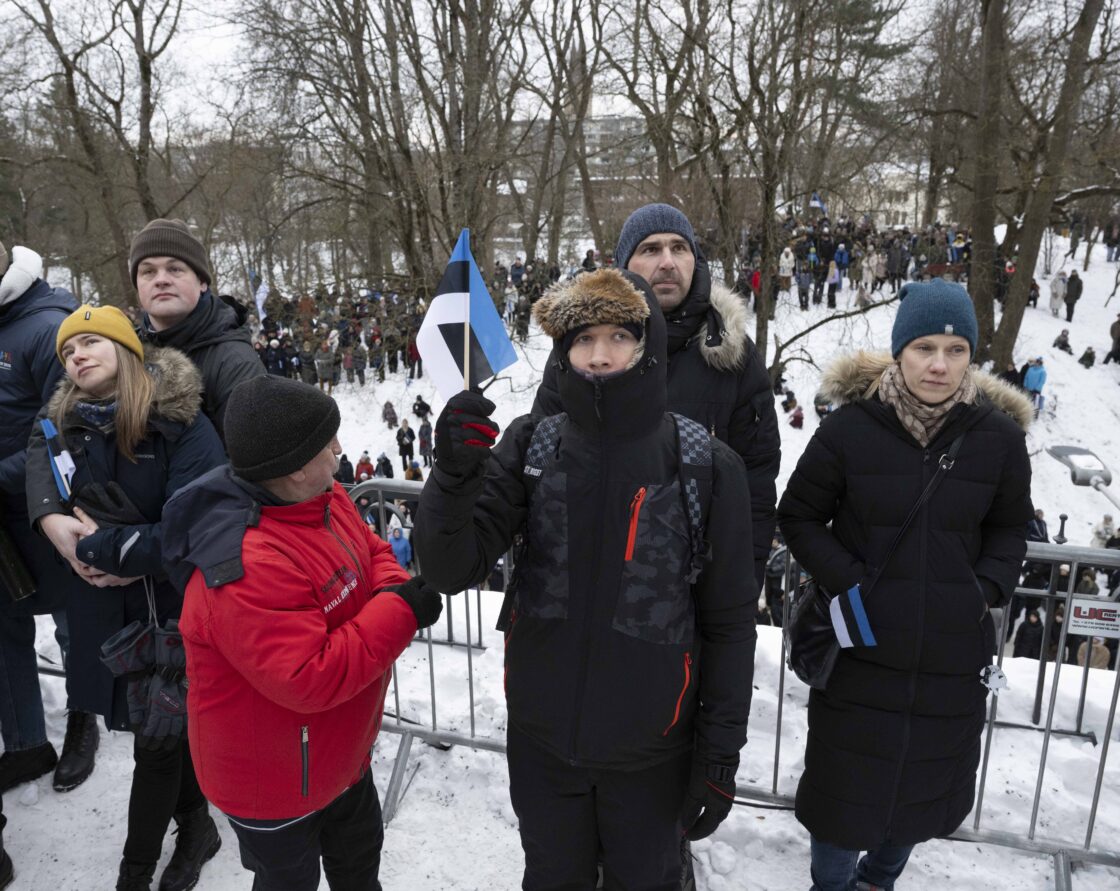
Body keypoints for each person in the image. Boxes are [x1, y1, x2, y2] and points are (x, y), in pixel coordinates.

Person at [415, 268, 755, 889]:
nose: (599, 355)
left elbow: (730, 624)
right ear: (563, 349)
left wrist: (718, 755)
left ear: (647, 343)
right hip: (543, 744)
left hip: (654, 752)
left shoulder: (706, 465)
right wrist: (453, 478)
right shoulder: (530, 447)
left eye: (620, 336)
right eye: (582, 338)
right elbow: (447, 568)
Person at [777, 280, 1033, 891]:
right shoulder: (849, 431)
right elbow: (800, 516)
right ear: (899, 351)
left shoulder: (997, 439)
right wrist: (849, 584)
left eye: (955, 349)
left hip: (949, 655)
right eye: (924, 347)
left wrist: (983, 594)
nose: (939, 364)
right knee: (843, 797)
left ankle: (879, 881)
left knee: (921, 792)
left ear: (972, 355)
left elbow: (1009, 531)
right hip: (863, 651)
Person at [163, 375, 444, 891]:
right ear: (293, 468)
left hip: (342, 756)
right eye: (328, 442)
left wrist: (391, 591)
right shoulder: (245, 564)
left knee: (360, 866)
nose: (340, 448)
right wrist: (400, 610)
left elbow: (375, 553)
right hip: (273, 784)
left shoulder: (326, 497)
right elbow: (310, 676)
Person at [29, 306, 226, 890]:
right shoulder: (65, 418)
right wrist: (51, 523)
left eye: (91, 342)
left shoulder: (183, 422)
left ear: (125, 350)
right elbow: (39, 453)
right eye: (68, 350)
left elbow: (199, 526)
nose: (77, 355)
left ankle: (133, 875)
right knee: (158, 731)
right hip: (109, 613)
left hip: (173, 610)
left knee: (157, 745)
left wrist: (106, 550)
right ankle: (196, 825)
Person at [531, 204, 780, 588]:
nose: (668, 262)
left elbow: (757, 487)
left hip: (693, 586)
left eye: (680, 248)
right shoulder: (584, 348)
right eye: (650, 249)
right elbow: (541, 453)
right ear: (625, 264)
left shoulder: (735, 356)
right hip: (588, 575)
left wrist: (741, 589)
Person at [0, 240, 97, 796]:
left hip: (49, 500)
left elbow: (60, 421)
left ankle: (84, 719)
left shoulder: (47, 324)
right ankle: (25, 743)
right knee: (3, 621)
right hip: (0, 513)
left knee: (73, 616)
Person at [128, 219, 265, 440]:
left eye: (175, 269)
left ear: (201, 281)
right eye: (148, 272)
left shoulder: (235, 363)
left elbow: (251, 464)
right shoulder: (125, 353)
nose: (161, 280)